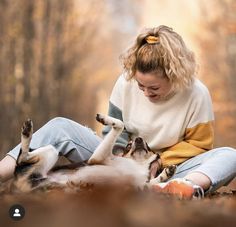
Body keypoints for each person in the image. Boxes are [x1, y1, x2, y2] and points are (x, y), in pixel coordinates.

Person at [0, 25, 236, 198]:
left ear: (175, 75)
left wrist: (161, 161)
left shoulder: (197, 94)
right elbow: (113, 133)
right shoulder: (125, 82)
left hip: (168, 170)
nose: (145, 92)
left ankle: (180, 188)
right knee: (59, 126)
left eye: (153, 87)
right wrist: (121, 158)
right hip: (119, 162)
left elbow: (200, 146)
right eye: (141, 85)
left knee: (230, 156)